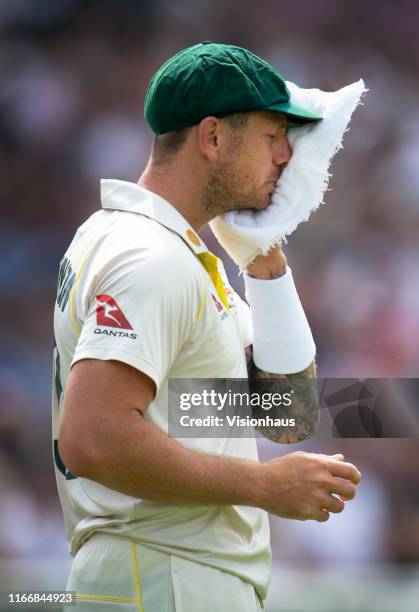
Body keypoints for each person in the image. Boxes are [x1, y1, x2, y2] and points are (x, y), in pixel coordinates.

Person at [52, 42, 361, 611]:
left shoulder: (168, 250)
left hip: (168, 573)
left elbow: (289, 416)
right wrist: (266, 486)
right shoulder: (151, 257)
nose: (286, 157)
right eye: (273, 137)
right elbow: (91, 436)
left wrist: (266, 267)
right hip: (164, 573)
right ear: (213, 138)